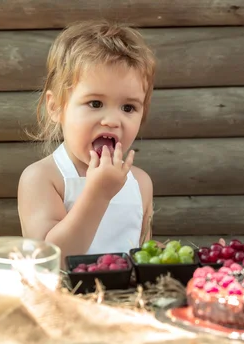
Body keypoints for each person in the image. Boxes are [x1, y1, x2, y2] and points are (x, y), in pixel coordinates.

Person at [17, 20, 156, 258]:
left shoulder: (140, 183)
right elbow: (50, 260)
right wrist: (98, 193)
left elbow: (140, 255)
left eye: (128, 107)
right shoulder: (43, 179)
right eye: (95, 103)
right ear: (56, 107)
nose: (112, 120)